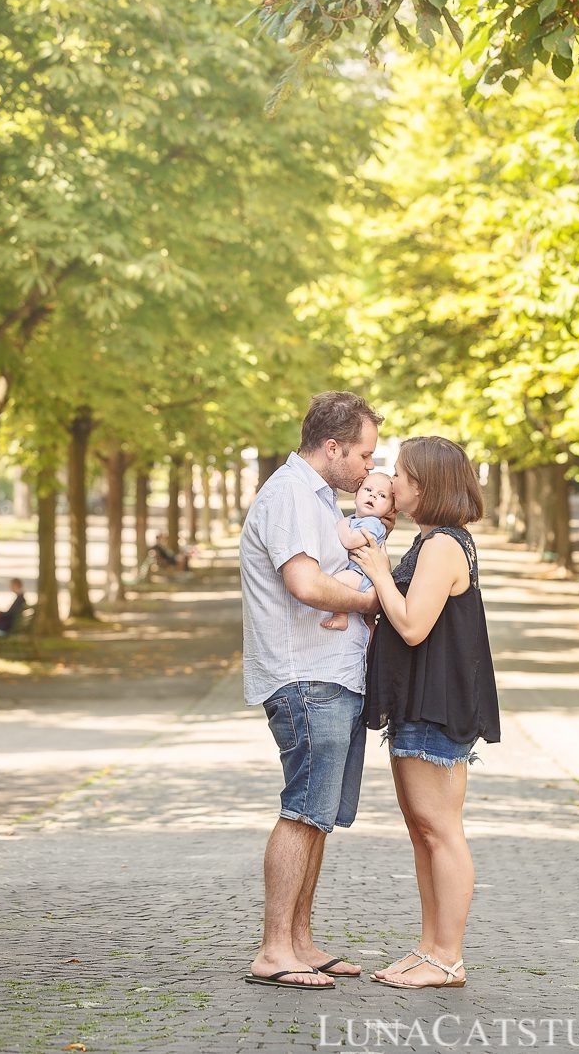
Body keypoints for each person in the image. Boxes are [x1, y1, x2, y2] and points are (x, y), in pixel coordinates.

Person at [240, 391, 386, 991]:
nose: (368, 468)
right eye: (363, 455)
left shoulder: (318, 498)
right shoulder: (291, 495)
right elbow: (304, 583)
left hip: (331, 674)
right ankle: (275, 949)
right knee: (302, 809)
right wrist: (368, 600)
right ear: (333, 448)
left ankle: (299, 939)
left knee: (318, 815)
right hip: (306, 676)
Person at [351, 435, 500, 991]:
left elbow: (413, 624)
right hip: (420, 700)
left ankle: (447, 957)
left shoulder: (442, 547)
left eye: (405, 474)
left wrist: (379, 570)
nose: (396, 482)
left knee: (440, 831)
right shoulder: (434, 540)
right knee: (424, 832)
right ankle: (430, 948)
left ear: (428, 484)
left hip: (436, 705)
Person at [321, 472, 395, 632]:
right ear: (356, 495)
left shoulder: (374, 524)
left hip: (363, 576)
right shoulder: (358, 520)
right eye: (368, 489)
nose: (373, 496)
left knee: (336, 582)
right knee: (368, 622)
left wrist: (341, 524)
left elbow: (349, 541)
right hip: (362, 574)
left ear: (390, 509)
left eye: (382, 495)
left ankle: (341, 615)